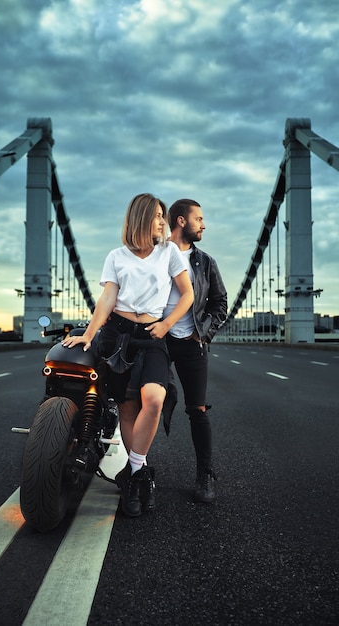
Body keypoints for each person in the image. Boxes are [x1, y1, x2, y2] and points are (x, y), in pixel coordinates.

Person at [62, 193, 194, 518]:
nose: (163, 222)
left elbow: (187, 294)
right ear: (141, 217)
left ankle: (134, 469)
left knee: (154, 398)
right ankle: (137, 476)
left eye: (165, 216)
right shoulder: (116, 256)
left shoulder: (169, 253)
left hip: (152, 336)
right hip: (117, 335)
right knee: (128, 408)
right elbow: (108, 298)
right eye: (158, 215)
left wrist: (166, 324)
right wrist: (89, 335)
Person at [163, 199, 227, 503]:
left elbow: (220, 303)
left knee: (197, 410)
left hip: (192, 341)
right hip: (157, 340)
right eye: (199, 219)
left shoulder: (206, 262)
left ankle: (205, 474)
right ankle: (137, 472)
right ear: (180, 221)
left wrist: (205, 333)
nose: (204, 225)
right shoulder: (155, 254)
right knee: (145, 401)